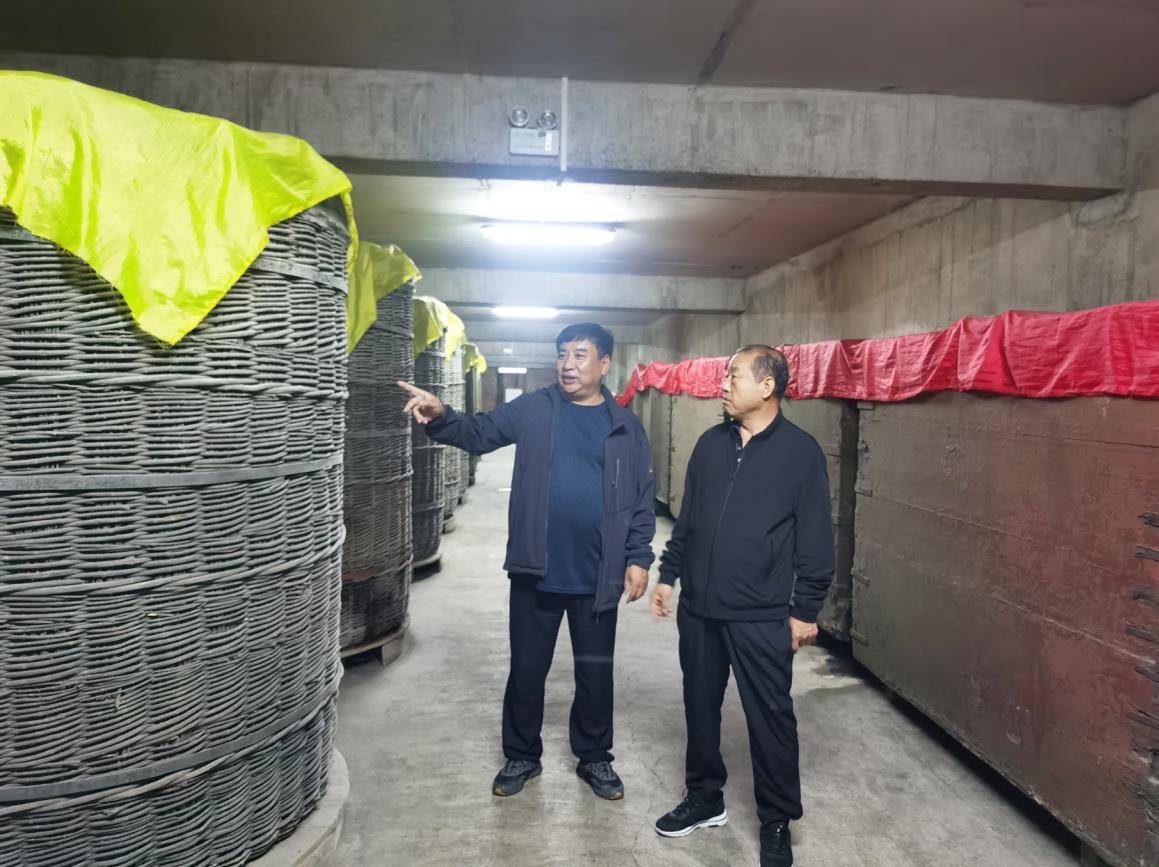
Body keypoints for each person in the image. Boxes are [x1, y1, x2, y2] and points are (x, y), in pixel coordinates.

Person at [400, 322, 656, 801]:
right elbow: (479, 432)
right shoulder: (536, 408)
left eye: (580, 355)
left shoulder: (624, 425)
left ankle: (595, 757)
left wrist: (639, 556)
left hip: (598, 575)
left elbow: (641, 495)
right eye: (562, 354)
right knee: (527, 670)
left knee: (595, 674)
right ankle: (521, 755)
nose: (567, 364)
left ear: (604, 364)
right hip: (536, 570)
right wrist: (441, 416)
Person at [649, 345, 834, 867]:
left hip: (760, 614)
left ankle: (776, 820)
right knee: (699, 707)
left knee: (770, 718)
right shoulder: (711, 444)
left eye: (733, 376)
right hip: (700, 610)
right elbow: (688, 520)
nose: (723, 385)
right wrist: (670, 575)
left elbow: (816, 541)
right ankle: (704, 797)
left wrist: (805, 610)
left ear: (767, 386)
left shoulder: (800, 453)